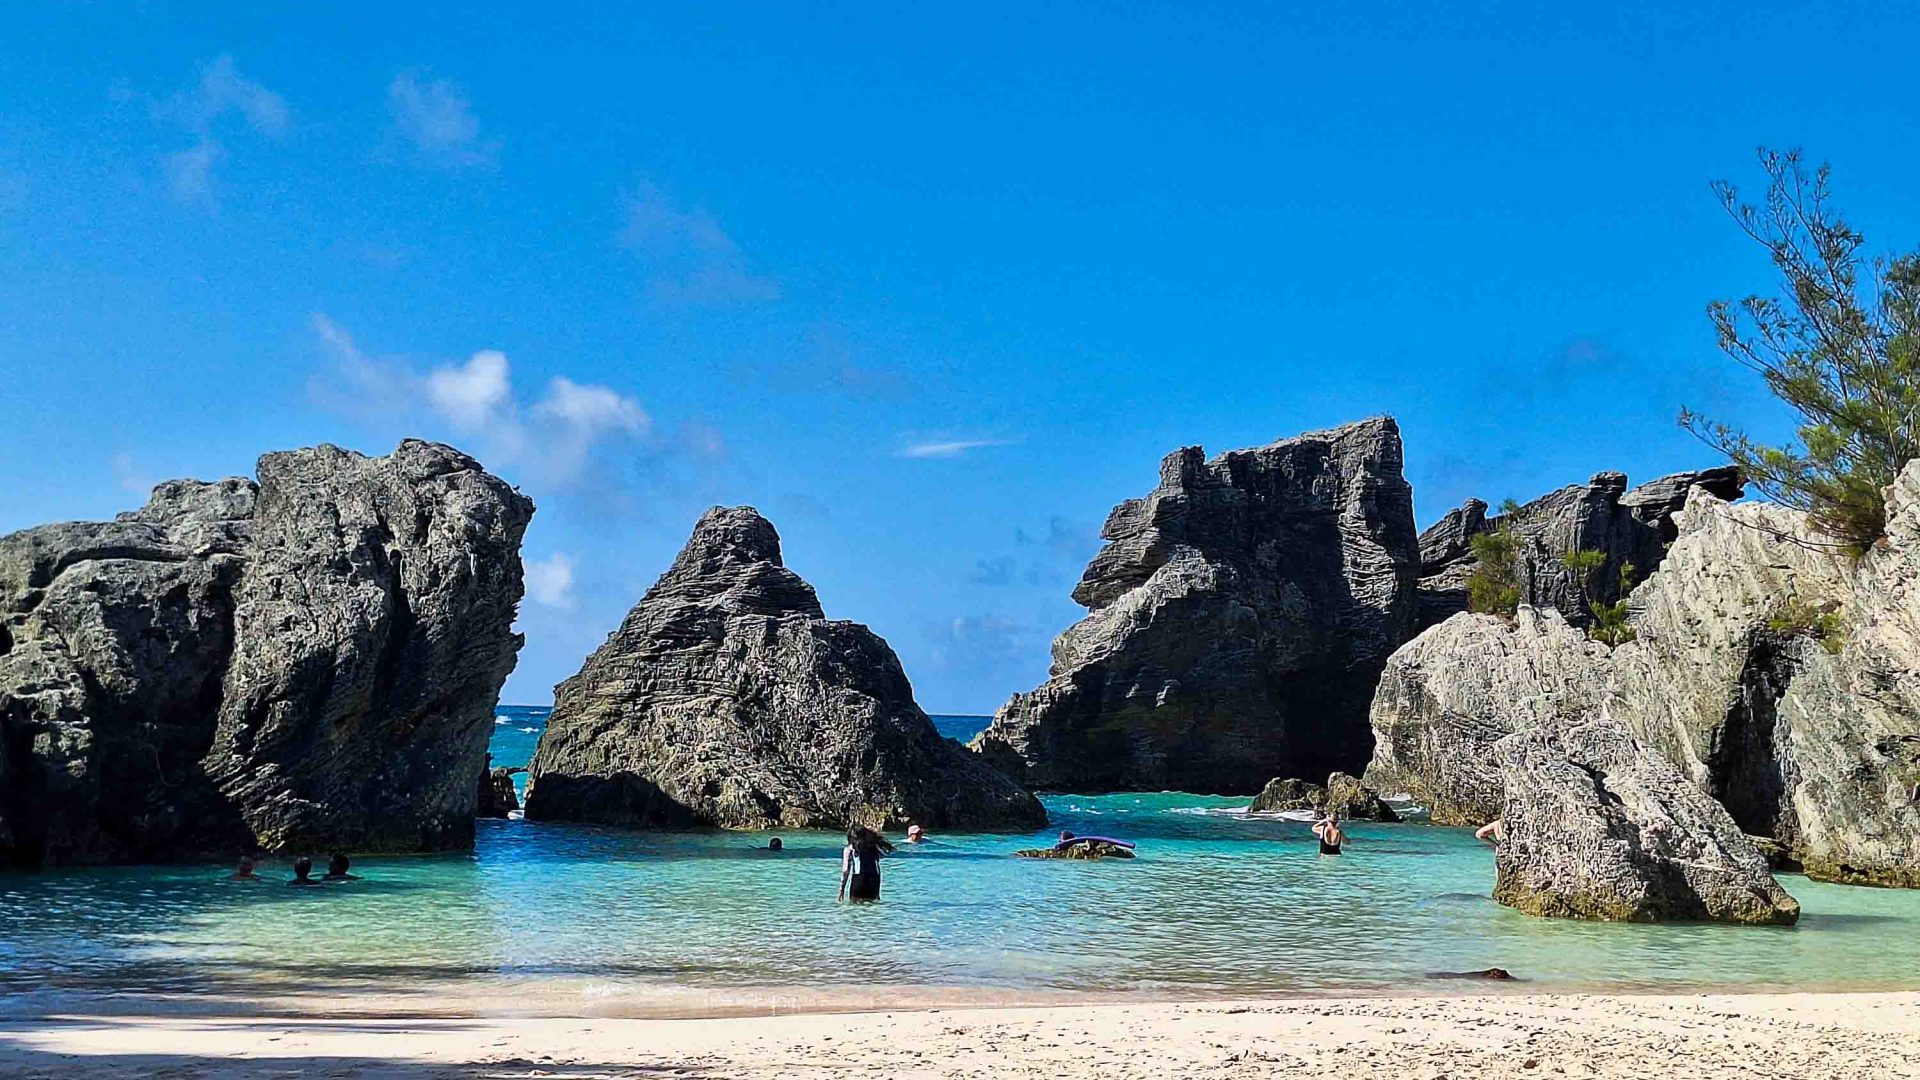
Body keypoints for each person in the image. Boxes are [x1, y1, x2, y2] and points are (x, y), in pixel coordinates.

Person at [839, 826, 893, 902]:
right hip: (873, 879)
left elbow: (845, 870)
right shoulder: (873, 847)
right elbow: (878, 867)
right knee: (872, 909)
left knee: (854, 909)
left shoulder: (849, 849)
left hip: (858, 879)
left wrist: (842, 890)